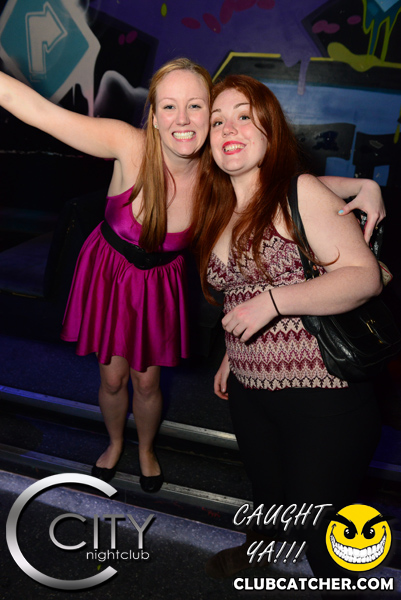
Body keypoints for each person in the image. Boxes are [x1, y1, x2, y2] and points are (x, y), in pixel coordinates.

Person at [0, 60, 385, 495]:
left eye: (195, 106)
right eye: (169, 106)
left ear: (208, 114)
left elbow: (280, 184)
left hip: (156, 282)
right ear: (153, 117)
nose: (182, 119)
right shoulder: (130, 145)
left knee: (147, 381)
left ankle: (146, 450)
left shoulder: (216, 174)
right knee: (112, 378)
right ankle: (114, 443)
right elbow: (38, 111)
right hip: (109, 272)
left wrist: (360, 186)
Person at [192, 74, 383, 585]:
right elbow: (241, 290)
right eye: (217, 121)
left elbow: (363, 278)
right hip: (251, 390)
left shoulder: (297, 191)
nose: (228, 129)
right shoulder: (220, 204)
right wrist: (234, 350)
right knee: (268, 494)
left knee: (322, 530)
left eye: (244, 116)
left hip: (323, 395)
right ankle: (259, 553)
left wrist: (272, 304)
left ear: (270, 130)